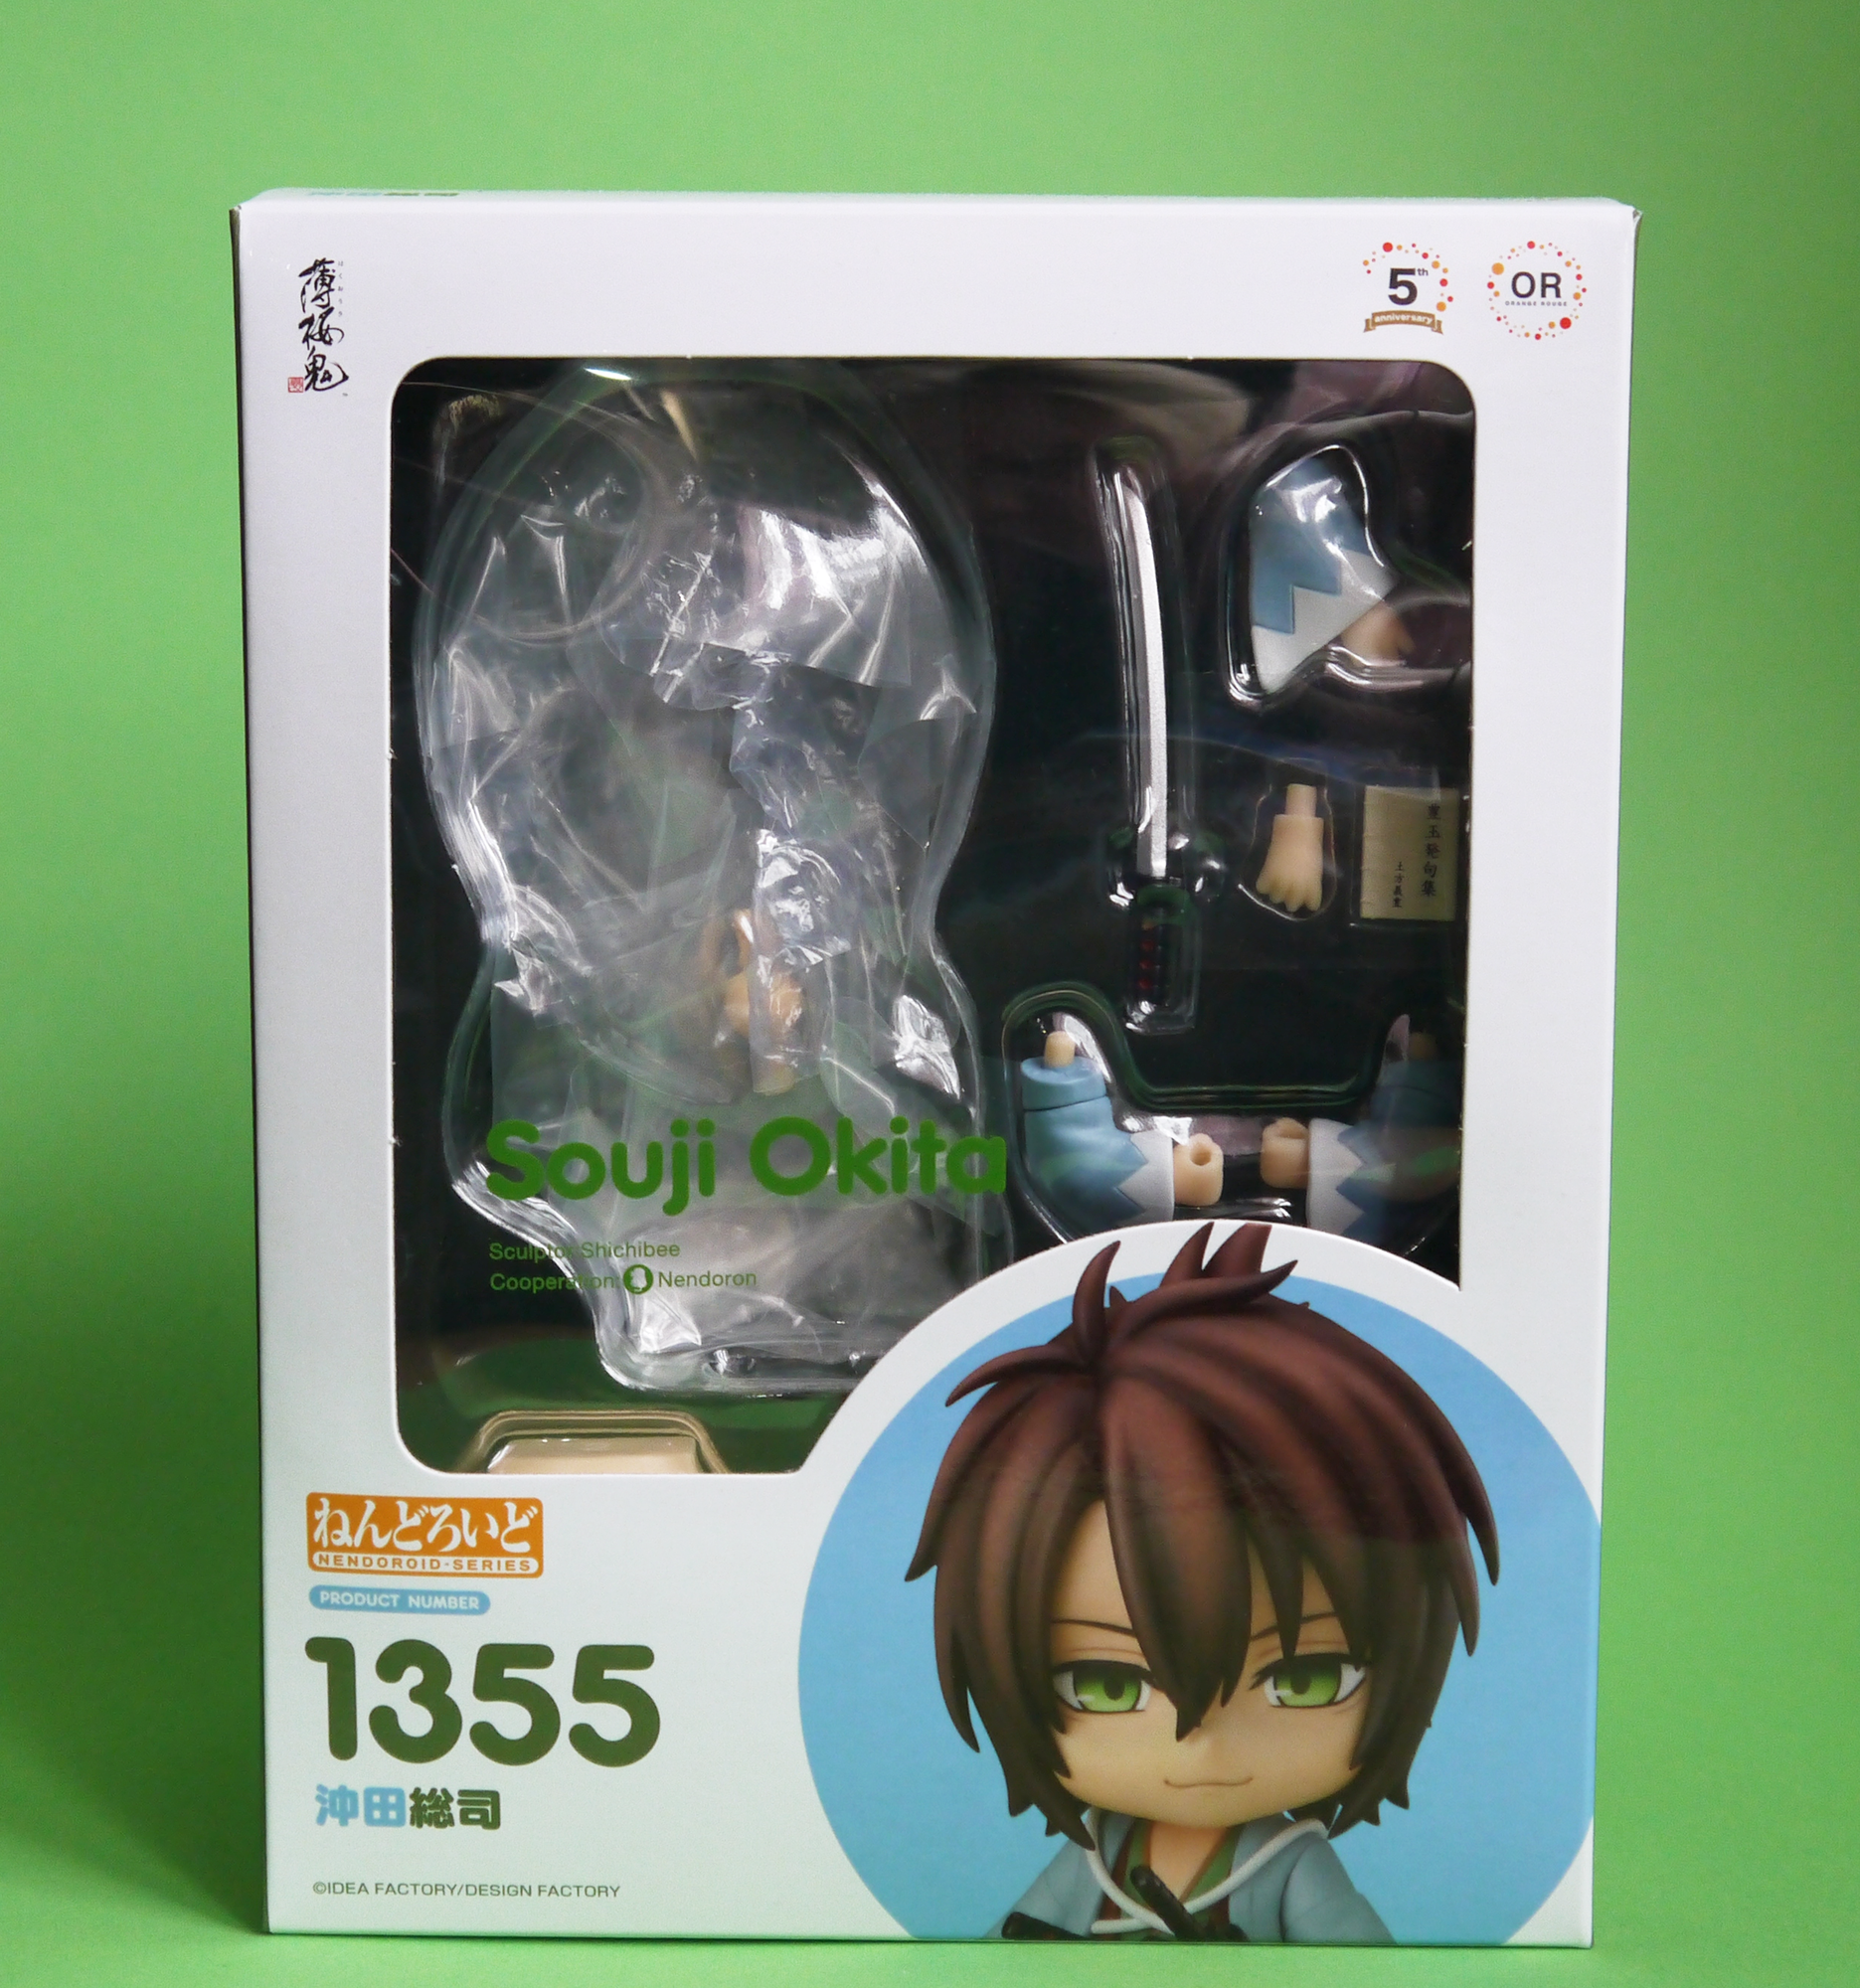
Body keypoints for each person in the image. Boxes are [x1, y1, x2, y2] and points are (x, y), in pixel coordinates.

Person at [907, 1221, 1497, 1941]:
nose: (1201, 1744)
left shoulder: (1287, 1863)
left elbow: (1357, 1962)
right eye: (1106, 1685)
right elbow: (1015, 1941)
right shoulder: (1101, 1853)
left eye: (1306, 1678)